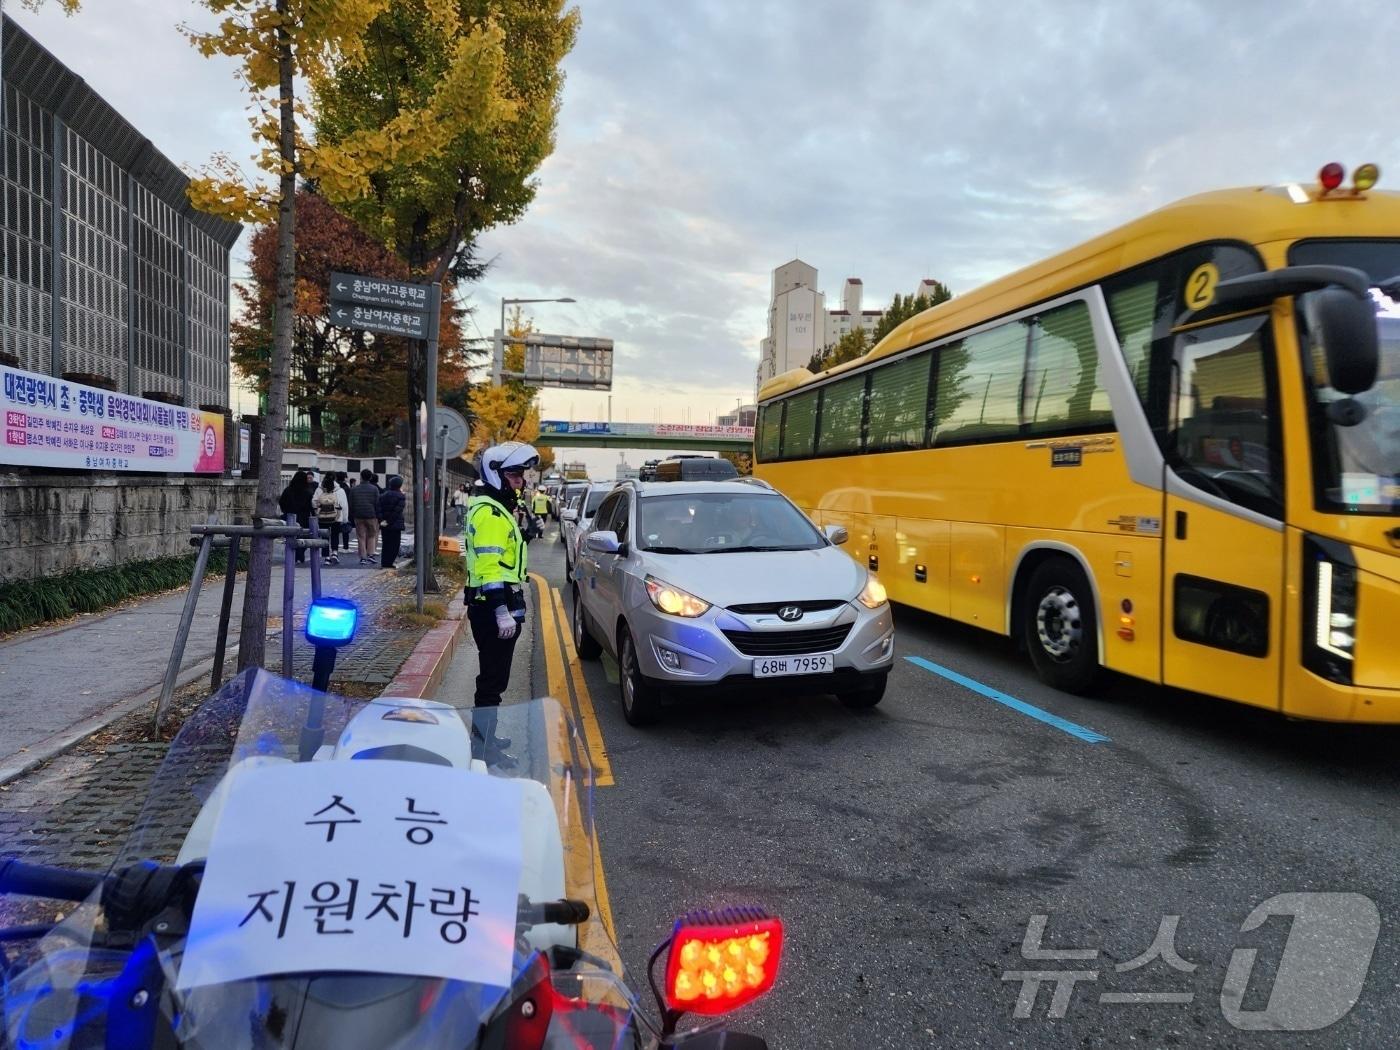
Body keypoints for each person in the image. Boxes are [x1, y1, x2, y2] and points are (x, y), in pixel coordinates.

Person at [462, 441, 538, 767]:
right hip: (493, 607)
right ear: (496, 475)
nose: (520, 481)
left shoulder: (498, 509)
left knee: (495, 681)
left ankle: (486, 738)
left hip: (500, 605)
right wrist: (501, 611)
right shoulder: (491, 513)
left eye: (521, 475)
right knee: (491, 683)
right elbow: (490, 567)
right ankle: (482, 750)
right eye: (514, 474)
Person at [278, 469, 314, 564]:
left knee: (291, 536)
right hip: (303, 518)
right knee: (304, 536)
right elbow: (310, 507)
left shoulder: (288, 490)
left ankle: (293, 556)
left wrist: (286, 511)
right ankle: (300, 554)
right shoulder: (308, 492)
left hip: (290, 517)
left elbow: (281, 502)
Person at [349, 469, 381, 564]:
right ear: (370, 477)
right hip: (371, 515)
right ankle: (371, 555)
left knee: (361, 536)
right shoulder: (374, 489)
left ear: (361, 477)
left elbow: (351, 504)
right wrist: (378, 516)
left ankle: (363, 557)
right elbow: (377, 503)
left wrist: (353, 514)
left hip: (358, 515)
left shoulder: (354, 489)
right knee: (372, 535)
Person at [377, 476, 406, 569]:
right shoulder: (401, 496)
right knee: (395, 544)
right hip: (395, 524)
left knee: (385, 543)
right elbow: (397, 511)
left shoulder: (383, 495)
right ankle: (390, 562)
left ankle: (384, 562)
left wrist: (382, 520)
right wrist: (389, 521)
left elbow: (378, 509)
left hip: (384, 524)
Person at [314, 474, 342, 565]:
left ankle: (326, 557)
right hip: (334, 518)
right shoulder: (338, 492)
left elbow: (314, 503)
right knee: (335, 535)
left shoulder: (319, 492)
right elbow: (341, 505)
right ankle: (334, 553)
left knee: (324, 537)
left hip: (322, 518)